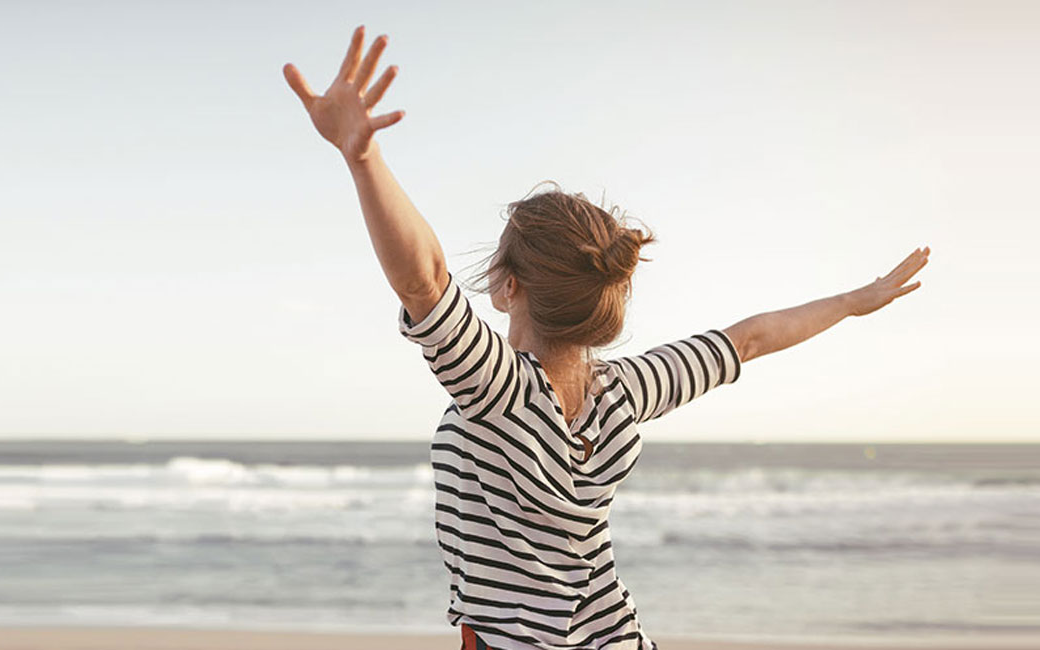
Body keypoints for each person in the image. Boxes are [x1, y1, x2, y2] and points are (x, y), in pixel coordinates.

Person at [281, 26, 930, 650]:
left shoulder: (499, 390)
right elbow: (749, 340)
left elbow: (424, 283)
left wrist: (362, 159)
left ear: (510, 288)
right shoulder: (627, 392)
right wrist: (852, 301)